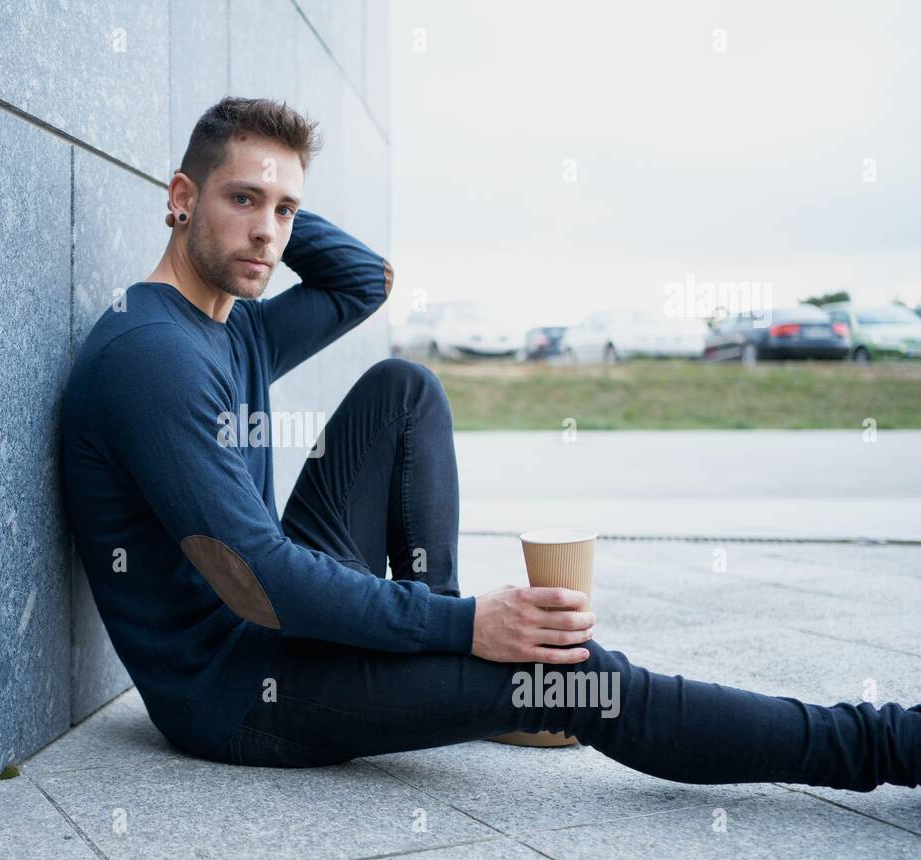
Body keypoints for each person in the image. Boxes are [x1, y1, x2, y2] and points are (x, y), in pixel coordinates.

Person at [60, 96, 920, 791]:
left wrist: (272, 192)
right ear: (180, 196)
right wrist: (471, 624)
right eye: (240, 199)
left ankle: (451, 670)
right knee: (577, 678)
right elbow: (261, 583)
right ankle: (885, 745)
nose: (268, 232)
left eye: (284, 210)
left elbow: (365, 283)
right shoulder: (153, 358)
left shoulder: (231, 325)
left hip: (281, 612)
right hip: (240, 685)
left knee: (405, 389)